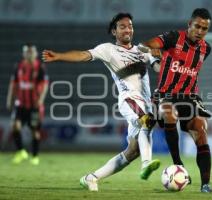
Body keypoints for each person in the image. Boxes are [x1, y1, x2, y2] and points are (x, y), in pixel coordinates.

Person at [42, 13, 161, 192]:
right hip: (128, 99)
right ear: (114, 31)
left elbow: (160, 68)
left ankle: (91, 178)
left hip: (144, 102)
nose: (127, 29)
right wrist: (59, 56)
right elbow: (83, 55)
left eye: (130, 26)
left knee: (132, 151)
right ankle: (146, 165)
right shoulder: (108, 49)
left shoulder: (142, 50)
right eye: (122, 26)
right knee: (147, 121)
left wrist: (163, 59)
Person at [138, 8, 212, 193]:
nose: (200, 31)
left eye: (204, 28)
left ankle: (205, 185)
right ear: (190, 24)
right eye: (197, 26)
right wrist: (151, 47)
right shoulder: (173, 37)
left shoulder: (206, 48)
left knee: (201, 129)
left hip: (189, 97)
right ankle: (178, 165)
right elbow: (146, 44)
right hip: (165, 94)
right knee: (169, 113)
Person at [6, 44, 49, 165]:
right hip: (20, 103)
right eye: (27, 52)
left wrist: (40, 99)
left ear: (35, 53)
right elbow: (13, 84)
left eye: (31, 52)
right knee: (15, 125)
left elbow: (45, 85)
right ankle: (21, 152)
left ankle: (35, 156)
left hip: (34, 105)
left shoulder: (40, 67)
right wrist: (9, 99)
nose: (29, 54)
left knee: (35, 131)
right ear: (23, 53)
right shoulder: (19, 67)